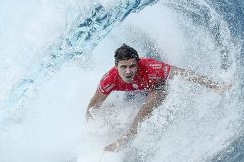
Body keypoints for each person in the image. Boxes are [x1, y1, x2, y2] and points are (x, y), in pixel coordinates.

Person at [86, 43, 230, 151]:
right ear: (116, 66)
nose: (128, 71)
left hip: (155, 87)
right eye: (123, 67)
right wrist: (93, 127)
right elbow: (93, 105)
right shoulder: (109, 79)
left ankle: (127, 138)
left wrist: (215, 87)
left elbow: (185, 74)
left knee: (153, 99)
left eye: (132, 66)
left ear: (138, 63)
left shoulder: (152, 68)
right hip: (133, 91)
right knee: (108, 110)